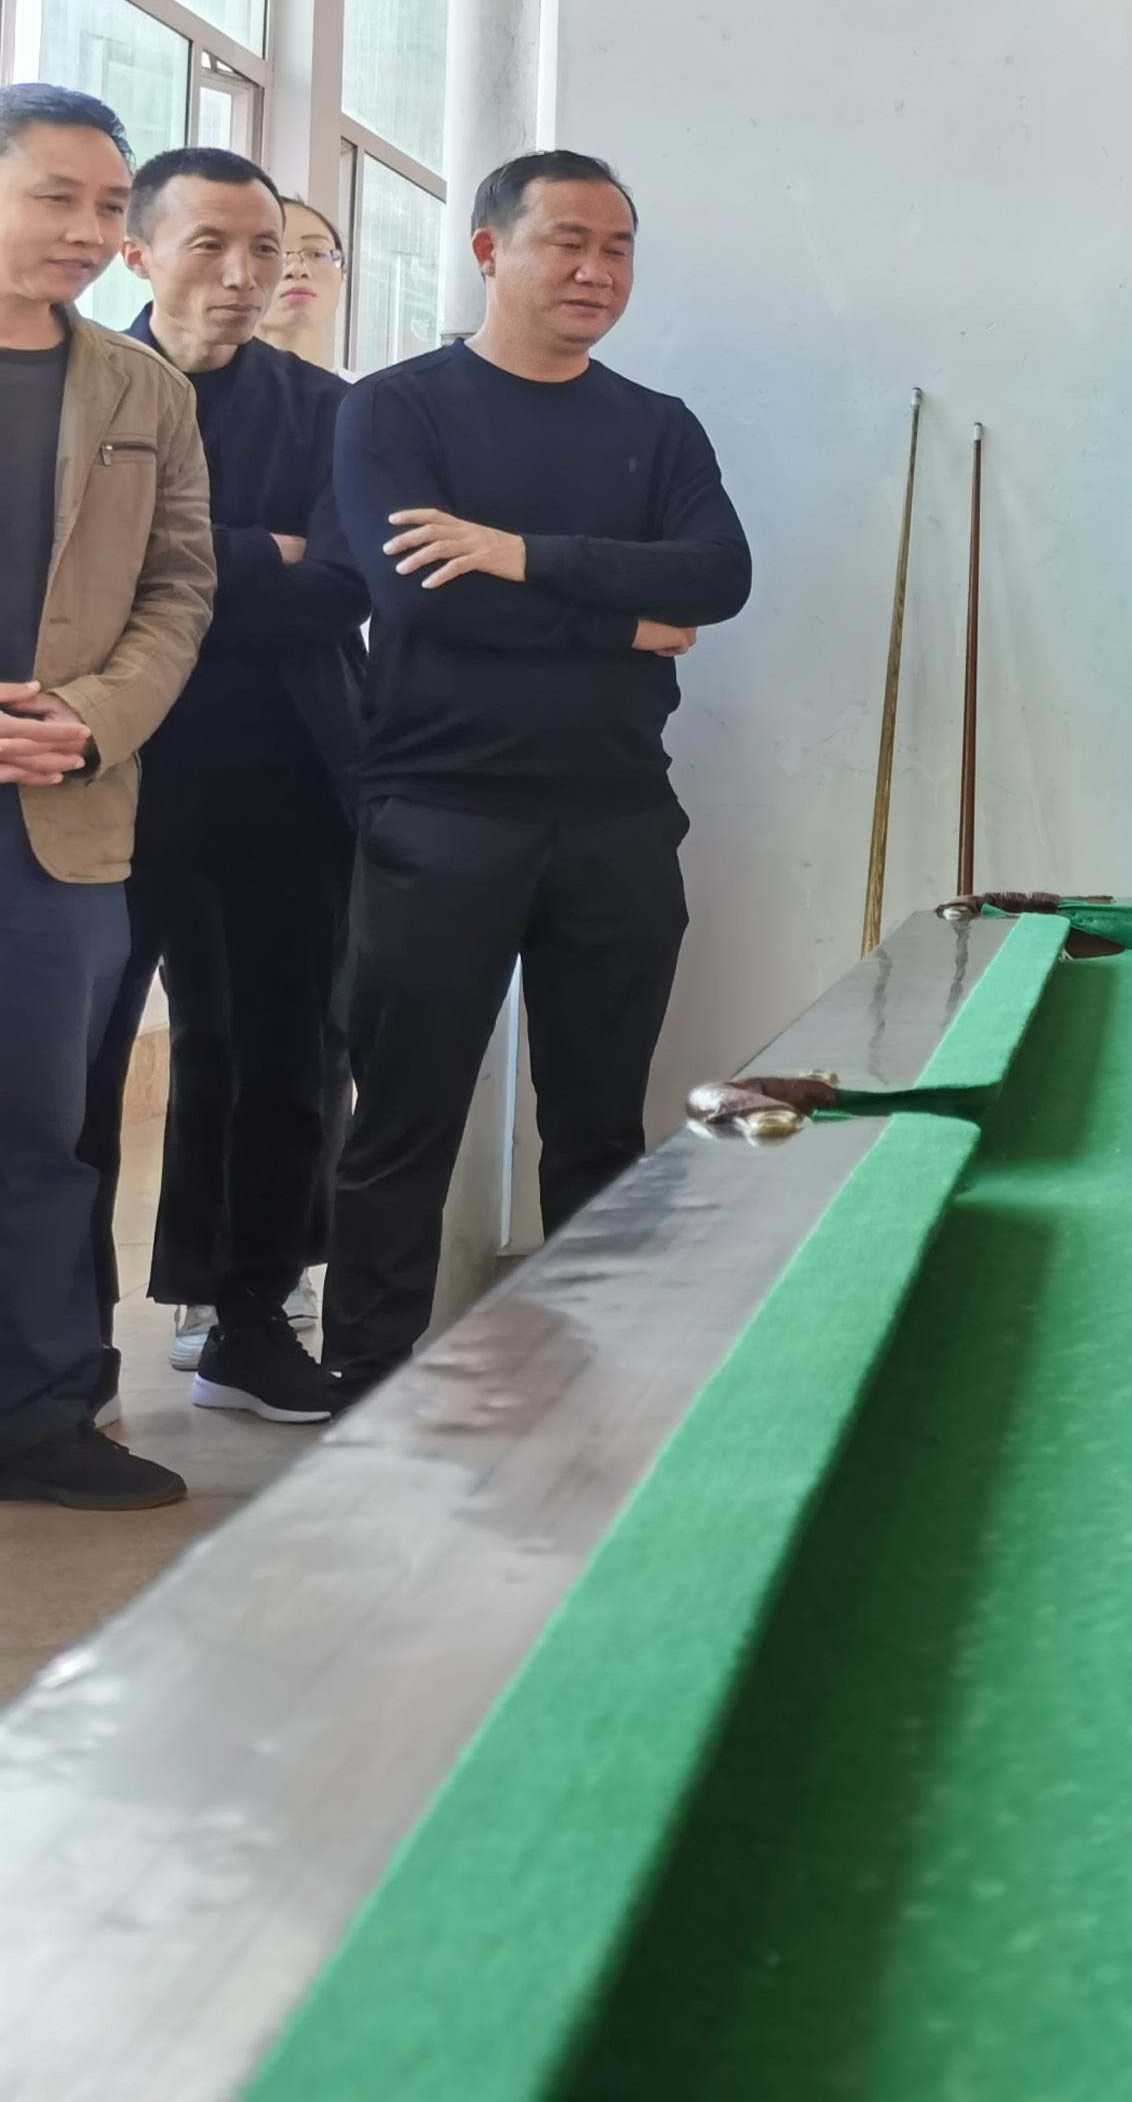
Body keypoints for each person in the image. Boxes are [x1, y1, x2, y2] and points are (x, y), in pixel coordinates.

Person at [319, 151, 753, 1403]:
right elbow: (418, 598)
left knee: (601, 1125)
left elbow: (717, 579)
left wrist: (517, 553)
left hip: (617, 816)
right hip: (439, 813)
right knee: (404, 1121)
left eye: (617, 247)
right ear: (488, 249)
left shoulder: (657, 426)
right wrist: (622, 620)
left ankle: (595, 1370)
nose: (596, 270)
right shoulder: (395, 410)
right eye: (568, 240)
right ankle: (365, 1377)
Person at [69, 149, 363, 1427]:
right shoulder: (79, 389)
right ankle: (62, 1341)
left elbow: (346, 584)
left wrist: (171, 565)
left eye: (269, 250)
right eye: (212, 246)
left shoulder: (332, 411)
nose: (248, 276)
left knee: (277, 1057)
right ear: (138, 254)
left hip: (285, 774)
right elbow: (65, 581)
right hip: (104, 771)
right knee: (76, 1065)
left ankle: (248, 1317)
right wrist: (259, 554)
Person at [0, 84, 211, 1511]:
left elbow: (181, 587)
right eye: (55, 197)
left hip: (63, 819)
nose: (87, 230)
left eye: (106, 207)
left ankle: (38, 1419)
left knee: (43, 1138)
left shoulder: (145, 393)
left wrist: (90, 720)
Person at [266, 196, 346, 372]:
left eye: (317, 254)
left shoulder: (371, 389)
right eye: (268, 250)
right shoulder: (201, 389)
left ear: (343, 276)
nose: (297, 269)